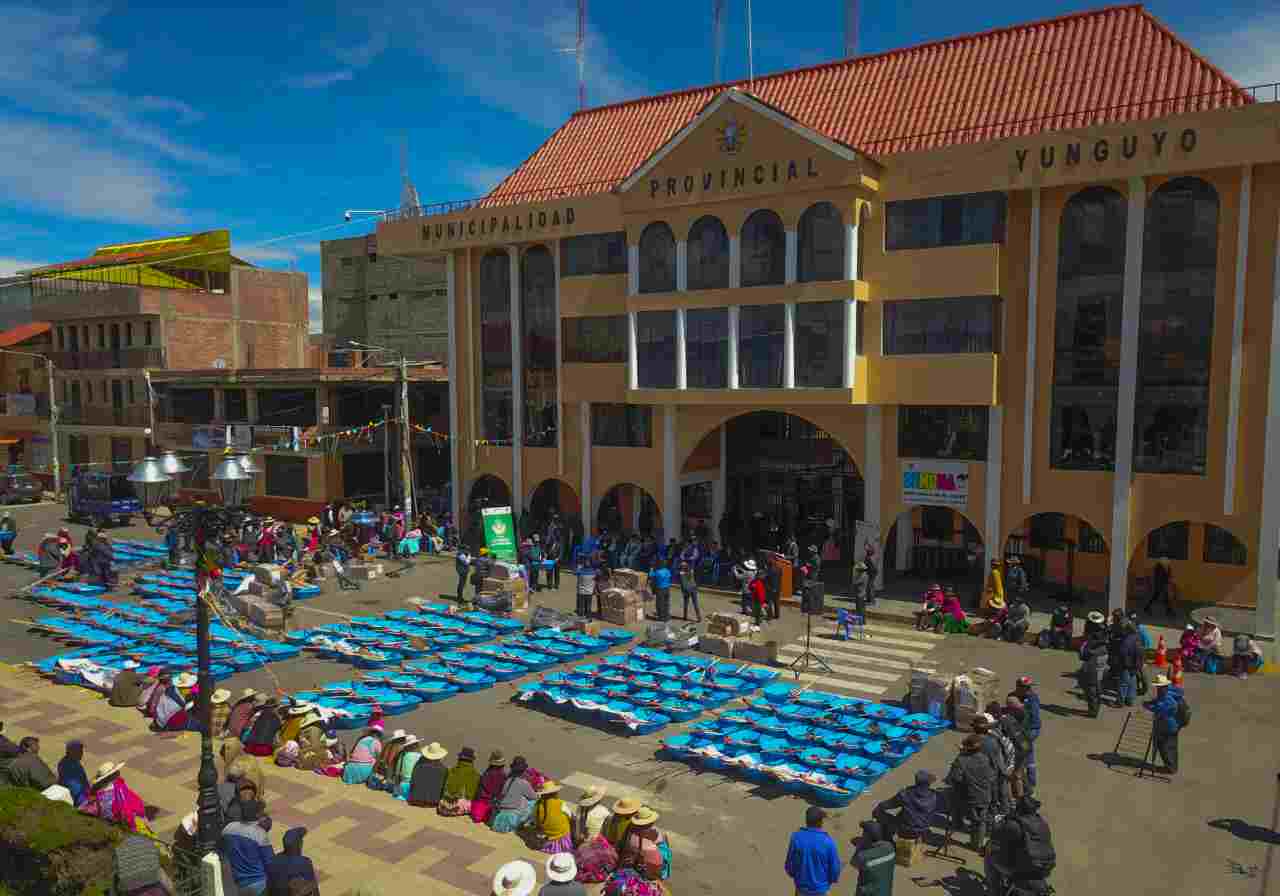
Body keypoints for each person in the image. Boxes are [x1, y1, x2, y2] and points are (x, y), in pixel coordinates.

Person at [985, 796, 1056, 896]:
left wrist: (1004, 819)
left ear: (1019, 808)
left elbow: (995, 833)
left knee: (990, 857)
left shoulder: (1015, 824)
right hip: (1044, 866)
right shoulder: (1042, 822)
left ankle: (994, 891)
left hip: (1023, 868)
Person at [945, 735, 996, 849]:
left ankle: (961, 827)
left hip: (971, 796)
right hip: (985, 794)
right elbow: (991, 775)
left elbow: (954, 779)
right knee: (980, 821)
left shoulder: (961, 760)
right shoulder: (984, 758)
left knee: (976, 821)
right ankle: (977, 843)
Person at [221, 798, 275, 896]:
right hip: (259, 884)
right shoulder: (260, 834)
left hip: (237, 883)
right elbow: (270, 862)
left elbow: (223, 851)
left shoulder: (228, 828)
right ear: (257, 815)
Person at [785, 805, 842, 896]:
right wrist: (829, 882)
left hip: (801, 889)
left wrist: (797, 877)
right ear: (821, 822)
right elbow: (835, 869)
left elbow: (789, 865)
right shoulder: (828, 842)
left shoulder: (796, 837)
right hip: (821, 890)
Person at [874, 769, 938, 842]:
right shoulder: (934, 796)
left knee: (878, 812)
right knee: (905, 814)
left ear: (916, 781)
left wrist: (878, 807)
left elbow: (887, 805)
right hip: (923, 829)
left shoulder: (906, 794)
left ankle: (887, 840)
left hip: (906, 829)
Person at [83, 761, 148, 832]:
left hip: (109, 825)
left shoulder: (98, 794)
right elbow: (125, 811)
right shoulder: (118, 790)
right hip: (122, 826)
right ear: (112, 776)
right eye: (116, 772)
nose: (118, 772)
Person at [1145, 673, 1185, 775]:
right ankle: (1172, 766)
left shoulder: (1166, 697)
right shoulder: (1171, 691)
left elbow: (1161, 708)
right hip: (1172, 725)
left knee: (1165, 747)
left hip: (1167, 727)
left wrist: (1148, 706)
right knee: (1171, 747)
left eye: (1158, 687)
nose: (1157, 689)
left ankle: (1170, 768)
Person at [267, 826, 318, 896]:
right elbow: (313, 887)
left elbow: (269, 886)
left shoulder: (274, 860)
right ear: (299, 845)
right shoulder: (304, 862)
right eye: (301, 841)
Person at [491, 756, 538, 833]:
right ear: (523, 770)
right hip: (512, 819)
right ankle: (526, 824)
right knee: (533, 802)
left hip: (498, 816)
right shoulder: (524, 783)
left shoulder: (506, 779)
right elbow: (534, 797)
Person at [850, 820, 895, 896]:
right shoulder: (890, 848)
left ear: (867, 836)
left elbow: (853, 862)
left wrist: (860, 846)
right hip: (885, 891)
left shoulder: (863, 856)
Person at [533, 780, 574, 855]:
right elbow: (570, 815)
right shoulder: (560, 803)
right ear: (554, 793)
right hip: (562, 834)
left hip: (548, 835)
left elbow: (536, 820)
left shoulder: (537, 805)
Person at [438, 746, 481, 817]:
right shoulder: (476, 775)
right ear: (472, 760)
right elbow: (472, 795)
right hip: (458, 808)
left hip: (443, 806)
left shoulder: (451, 770)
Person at [407, 742, 450, 807]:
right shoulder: (444, 769)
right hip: (433, 802)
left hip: (415, 800)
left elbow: (412, 782)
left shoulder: (418, 765)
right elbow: (443, 789)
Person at [1078, 623, 1108, 718]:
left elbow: (1083, 655)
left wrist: (1085, 646)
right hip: (1099, 673)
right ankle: (1095, 709)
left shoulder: (1094, 649)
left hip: (1092, 673)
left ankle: (1093, 711)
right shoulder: (1104, 646)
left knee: (1091, 693)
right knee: (1097, 692)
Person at [471, 750, 508, 824]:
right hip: (492, 805)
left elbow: (480, 790)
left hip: (479, 806)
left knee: (477, 815)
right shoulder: (503, 776)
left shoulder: (487, 773)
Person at [57, 740, 90, 807]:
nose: (82, 753)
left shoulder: (75, 762)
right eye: (79, 751)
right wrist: (88, 797)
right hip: (79, 799)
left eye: (81, 750)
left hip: (83, 793)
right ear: (71, 752)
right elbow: (75, 788)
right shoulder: (66, 765)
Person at [1118, 621, 1142, 707]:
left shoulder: (1126, 641)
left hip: (1127, 666)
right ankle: (1130, 700)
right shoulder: (1138, 638)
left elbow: (1122, 654)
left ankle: (1120, 702)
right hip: (1135, 665)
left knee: (1123, 683)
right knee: (1132, 682)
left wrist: (1123, 664)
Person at [765, 555, 782, 620]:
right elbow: (780, 579)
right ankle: (777, 615)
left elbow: (770, 579)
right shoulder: (779, 568)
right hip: (777, 587)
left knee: (769, 602)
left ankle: (770, 616)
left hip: (771, 588)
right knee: (776, 602)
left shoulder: (770, 569)